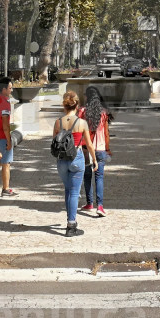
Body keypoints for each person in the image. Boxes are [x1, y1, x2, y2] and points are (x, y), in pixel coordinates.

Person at [53, 91, 96, 237]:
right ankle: (71, 225)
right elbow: (89, 145)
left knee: (68, 189)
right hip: (76, 158)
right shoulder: (82, 123)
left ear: (64, 106)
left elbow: (55, 142)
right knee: (74, 192)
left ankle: (70, 220)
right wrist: (94, 160)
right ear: (77, 105)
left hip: (62, 160)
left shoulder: (58, 122)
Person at [78, 86, 113, 216]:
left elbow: (78, 130)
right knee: (99, 177)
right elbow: (106, 133)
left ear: (87, 97)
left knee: (87, 176)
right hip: (101, 148)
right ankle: (100, 206)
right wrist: (108, 149)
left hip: (86, 148)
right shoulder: (103, 113)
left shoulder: (82, 111)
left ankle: (89, 203)